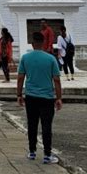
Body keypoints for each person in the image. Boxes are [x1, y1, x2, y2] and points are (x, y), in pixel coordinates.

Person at [17, 31, 62, 164]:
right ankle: (47, 155)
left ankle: (32, 152)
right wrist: (58, 98)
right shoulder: (51, 59)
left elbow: (20, 78)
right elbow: (57, 80)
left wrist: (19, 94)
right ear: (43, 43)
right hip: (47, 97)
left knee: (32, 124)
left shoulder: (25, 58)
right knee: (46, 126)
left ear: (32, 43)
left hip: (31, 96)